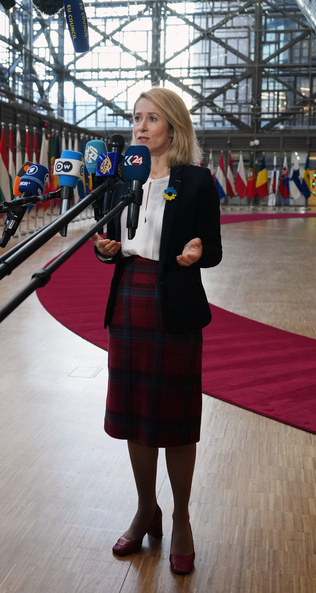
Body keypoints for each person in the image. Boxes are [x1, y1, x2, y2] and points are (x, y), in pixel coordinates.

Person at [92, 87, 222, 575]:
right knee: (134, 415)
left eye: (152, 119)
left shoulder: (196, 182)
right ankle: (147, 508)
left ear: (174, 127)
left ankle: (183, 518)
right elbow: (107, 236)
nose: (141, 127)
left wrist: (195, 252)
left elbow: (212, 247)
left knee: (173, 417)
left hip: (173, 302)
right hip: (129, 299)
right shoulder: (121, 180)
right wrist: (105, 248)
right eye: (136, 118)